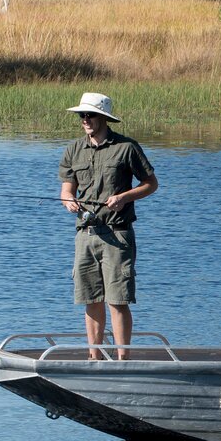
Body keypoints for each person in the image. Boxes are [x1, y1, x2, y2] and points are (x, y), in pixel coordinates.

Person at [59, 92, 159, 360]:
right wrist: (69, 202)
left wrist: (124, 198)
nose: (85, 120)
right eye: (82, 116)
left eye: (89, 115)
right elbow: (66, 190)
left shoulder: (126, 148)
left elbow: (151, 184)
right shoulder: (73, 150)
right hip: (86, 234)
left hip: (118, 234)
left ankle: (122, 359)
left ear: (103, 117)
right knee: (90, 299)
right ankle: (95, 357)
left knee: (118, 299)